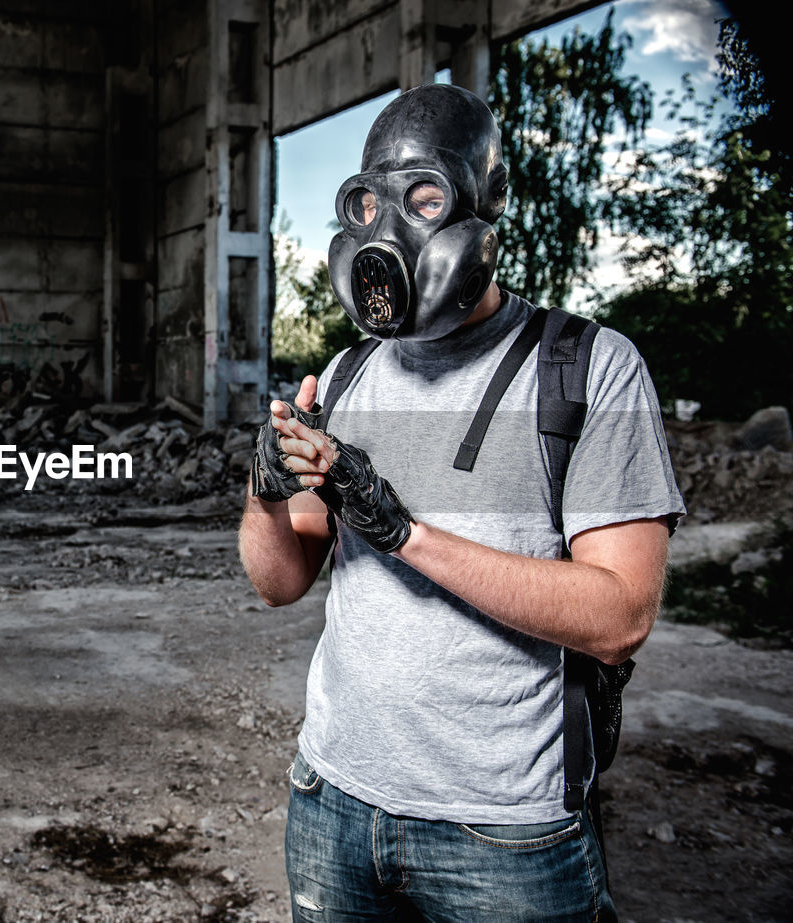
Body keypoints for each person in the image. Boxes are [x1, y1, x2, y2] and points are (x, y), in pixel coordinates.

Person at [238, 83, 685, 922]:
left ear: (489, 204)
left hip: (505, 836)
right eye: (369, 202)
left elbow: (619, 614)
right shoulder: (345, 375)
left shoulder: (593, 368)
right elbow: (277, 581)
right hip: (333, 798)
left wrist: (402, 532)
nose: (389, 232)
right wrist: (266, 489)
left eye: (426, 197)